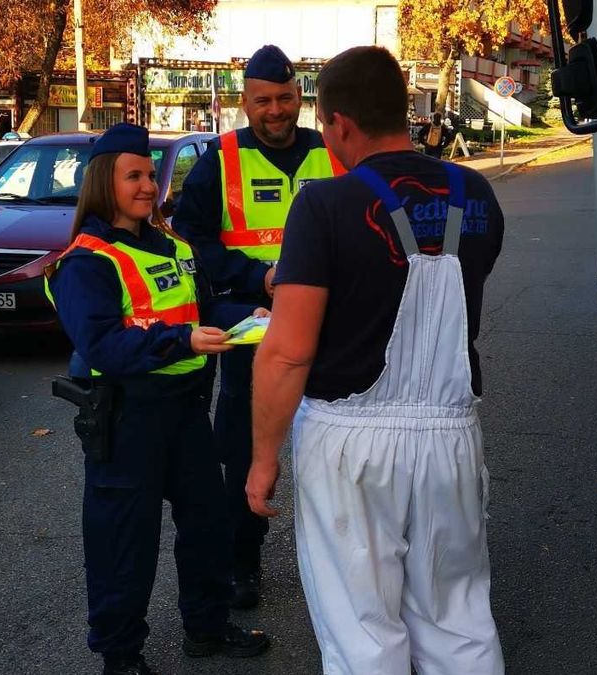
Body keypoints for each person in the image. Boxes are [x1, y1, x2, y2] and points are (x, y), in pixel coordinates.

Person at [246, 47, 507, 674]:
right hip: (450, 437)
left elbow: (286, 351)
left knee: (364, 631)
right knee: (458, 618)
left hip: (350, 445)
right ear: (401, 109)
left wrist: (262, 461)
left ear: (338, 124)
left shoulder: (325, 205)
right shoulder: (475, 194)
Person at [45, 123, 271, 675]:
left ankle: (207, 628)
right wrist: (181, 341)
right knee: (125, 544)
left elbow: (198, 314)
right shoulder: (86, 261)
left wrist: (250, 318)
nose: (149, 185)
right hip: (127, 420)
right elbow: (102, 345)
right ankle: (121, 657)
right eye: (135, 176)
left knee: (208, 525)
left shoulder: (173, 246)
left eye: (151, 174)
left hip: (186, 410)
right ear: (105, 182)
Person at [170, 44, 345, 609]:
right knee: (245, 454)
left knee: (343, 445)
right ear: (244, 102)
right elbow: (189, 243)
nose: (276, 110)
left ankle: (349, 558)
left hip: (333, 324)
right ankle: (241, 562)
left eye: (286, 98)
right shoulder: (218, 160)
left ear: (302, 97)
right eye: (263, 100)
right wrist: (254, 275)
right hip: (254, 324)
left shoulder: (330, 153)